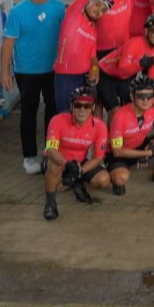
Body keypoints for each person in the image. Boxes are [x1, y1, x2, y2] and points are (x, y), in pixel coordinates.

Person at [0, 0, 66, 174]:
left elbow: (67, 36)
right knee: (29, 111)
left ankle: (50, 152)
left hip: (54, 69)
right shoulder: (17, 12)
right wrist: (4, 71)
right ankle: (29, 157)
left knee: (53, 111)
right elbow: (8, 44)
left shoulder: (59, 8)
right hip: (26, 71)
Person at [41, 85, 111, 220]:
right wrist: (67, 165)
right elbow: (50, 149)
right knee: (55, 165)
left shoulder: (100, 126)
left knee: (103, 179)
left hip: (79, 163)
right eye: (78, 105)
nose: (82, 110)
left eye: (87, 106)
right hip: (57, 160)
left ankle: (75, 181)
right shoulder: (57, 120)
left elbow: (98, 157)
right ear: (71, 106)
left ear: (93, 107)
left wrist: (78, 172)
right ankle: (50, 204)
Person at [106, 73, 154, 192]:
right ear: (132, 97)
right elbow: (117, 151)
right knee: (120, 179)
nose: (146, 100)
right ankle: (111, 171)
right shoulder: (119, 116)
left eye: (149, 95)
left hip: (142, 146)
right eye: (141, 96)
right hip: (121, 153)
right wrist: (145, 154)